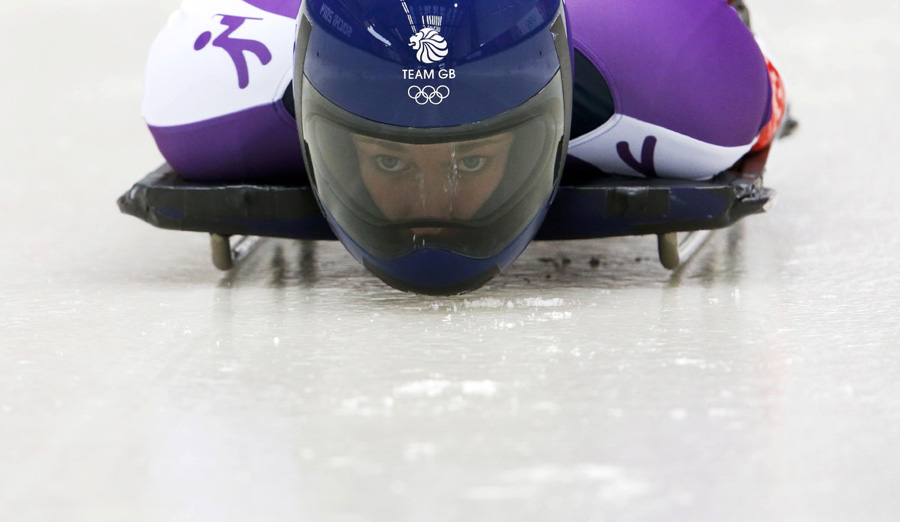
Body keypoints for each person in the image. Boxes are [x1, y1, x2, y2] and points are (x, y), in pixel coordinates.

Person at [142, 0, 788, 294]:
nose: (434, 202)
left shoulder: (696, 82)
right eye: (390, 159)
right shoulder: (199, 86)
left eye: (470, 158)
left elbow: (750, 88)